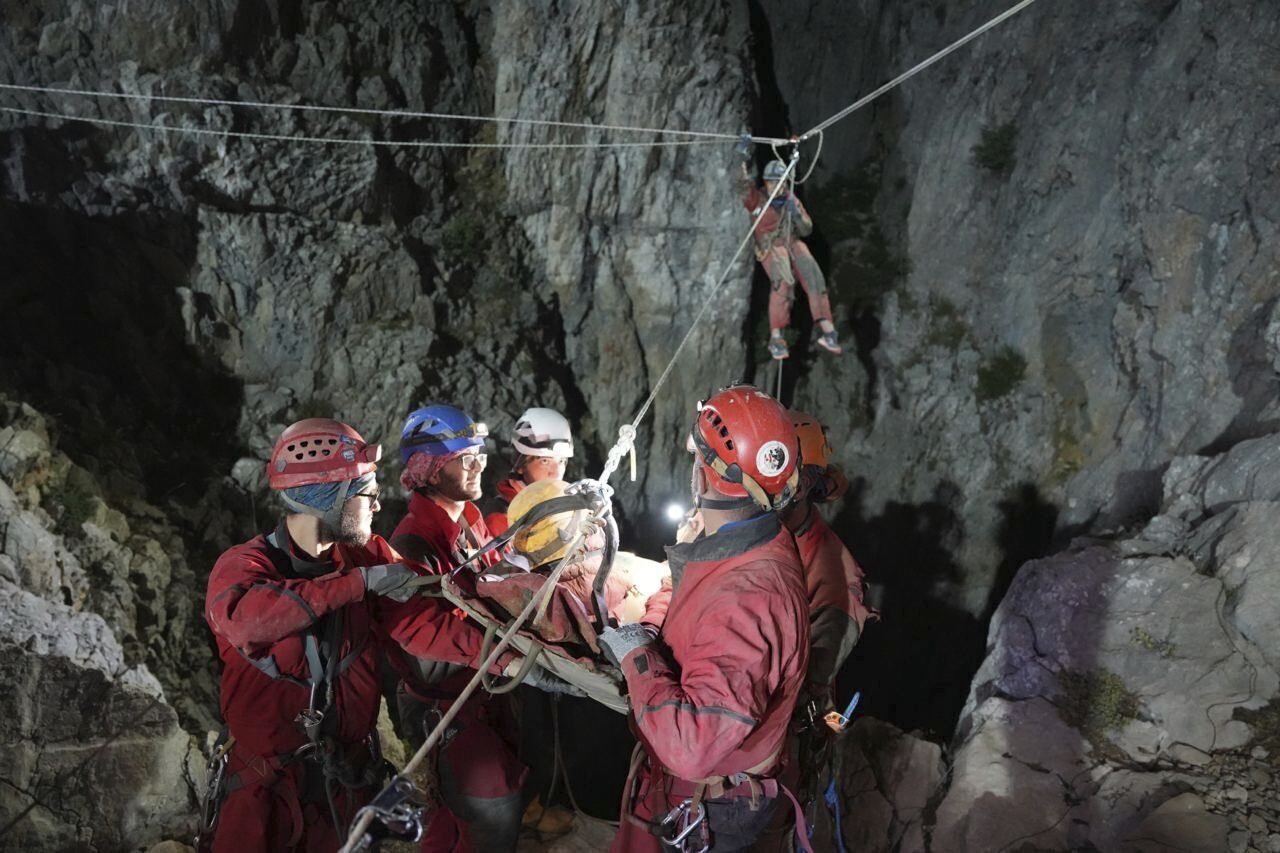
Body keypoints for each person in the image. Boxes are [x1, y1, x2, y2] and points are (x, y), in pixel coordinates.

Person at [201, 418, 514, 852]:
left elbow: (419, 624)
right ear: (327, 500)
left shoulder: (365, 555)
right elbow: (246, 619)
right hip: (265, 799)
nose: (377, 507)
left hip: (345, 789)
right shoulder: (245, 565)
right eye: (365, 494)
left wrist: (507, 656)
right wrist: (358, 584)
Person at [599, 385, 812, 852]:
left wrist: (637, 654)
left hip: (710, 804)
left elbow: (691, 746)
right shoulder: (753, 541)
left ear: (706, 471)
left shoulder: (748, 594)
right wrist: (655, 621)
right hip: (704, 789)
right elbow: (699, 609)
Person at [388, 404, 528, 851]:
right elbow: (425, 656)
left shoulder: (468, 521)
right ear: (429, 469)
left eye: (480, 455)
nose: (478, 465)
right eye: (465, 458)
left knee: (453, 824)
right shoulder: (413, 543)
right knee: (491, 806)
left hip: (479, 695)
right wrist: (505, 653)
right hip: (447, 707)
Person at [739, 158, 842, 361]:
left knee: (814, 277)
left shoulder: (790, 199)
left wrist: (797, 215)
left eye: (780, 182)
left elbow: (807, 229)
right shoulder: (757, 199)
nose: (776, 186)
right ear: (766, 182)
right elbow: (743, 188)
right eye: (772, 182)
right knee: (783, 282)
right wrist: (742, 159)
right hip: (772, 246)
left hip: (791, 241)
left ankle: (827, 329)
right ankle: (776, 337)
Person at [484, 407, 575, 536]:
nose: (556, 473)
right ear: (520, 465)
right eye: (545, 461)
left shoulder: (560, 509)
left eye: (561, 461)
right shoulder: (502, 519)